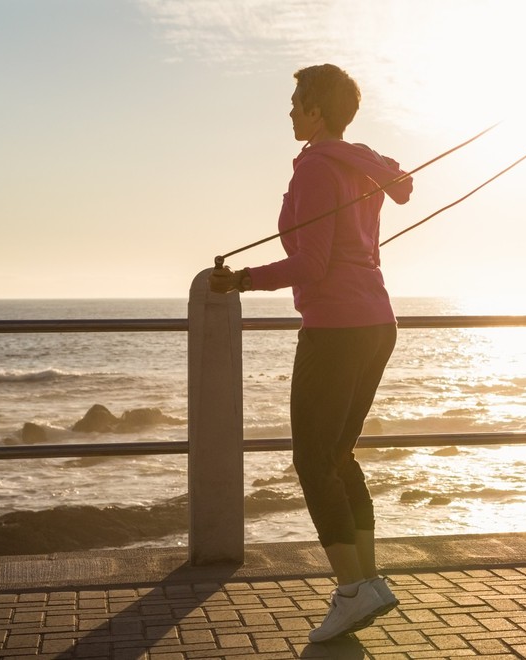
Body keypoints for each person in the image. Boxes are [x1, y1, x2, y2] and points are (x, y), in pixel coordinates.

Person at [210, 63, 413, 643]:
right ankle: (368, 582)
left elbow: (311, 264)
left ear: (318, 109)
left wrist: (241, 280)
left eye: (297, 100)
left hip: (337, 327)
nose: (291, 109)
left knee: (311, 459)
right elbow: (400, 187)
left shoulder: (319, 170)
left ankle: (352, 591)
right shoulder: (358, 162)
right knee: (339, 456)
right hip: (376, 321)